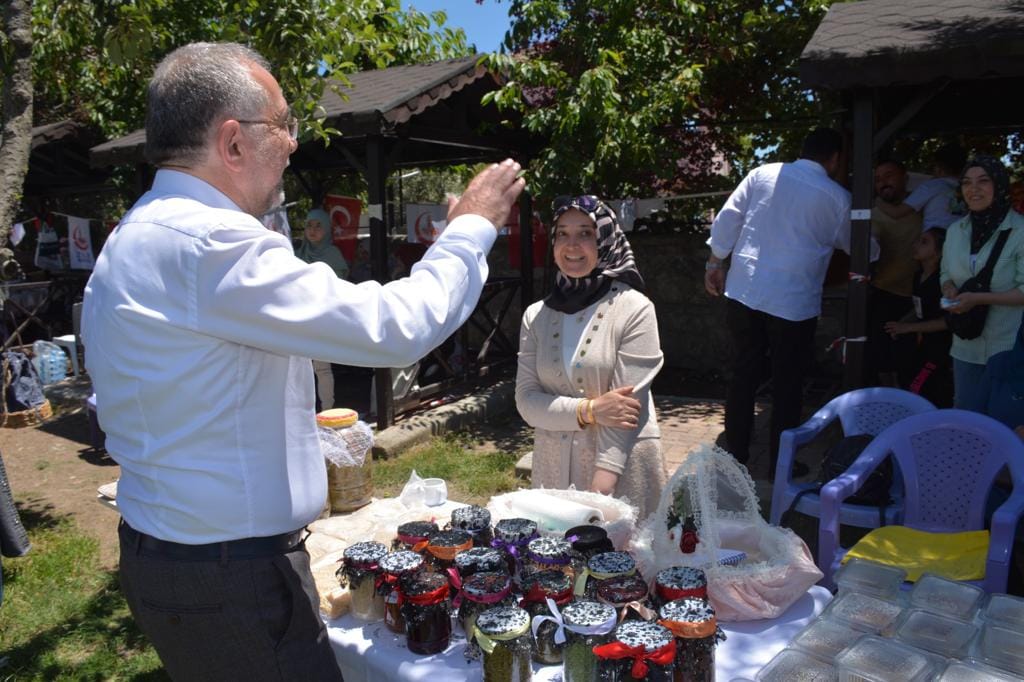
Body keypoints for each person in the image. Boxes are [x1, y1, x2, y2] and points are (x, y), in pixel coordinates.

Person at [81, 42, 524, 681]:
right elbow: (392, 327)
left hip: (193, 559)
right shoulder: (209, 244)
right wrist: (472, 227)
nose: (292, 143)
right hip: (227, 574)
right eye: (281, 125)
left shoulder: (144, 231)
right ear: (232, 142)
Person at [705, 128, 878, 476]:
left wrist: (714, 260)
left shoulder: (762, 173)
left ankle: (734, 456)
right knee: (788, 383)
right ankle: (780, 463)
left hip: (746, 290)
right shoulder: (837, 198)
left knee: (743, 375)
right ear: (834, 159)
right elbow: (864, 250)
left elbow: (729, 218)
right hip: (793, 301)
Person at [515, 195, 666, 519]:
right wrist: (592, 410)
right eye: (562, 234)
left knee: (621, 565)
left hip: (619, 470)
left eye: (585, 233)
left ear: (605, 240)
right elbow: (527, 402)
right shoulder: (536, 316)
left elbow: (626, 413)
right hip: (553, 466)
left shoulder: (634, 308)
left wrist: (599, 495)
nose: (572, 245)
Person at [941, 155, 1024, 413]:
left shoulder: (1020, 230)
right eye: (966, 182)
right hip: (965, 345)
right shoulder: (956, 230)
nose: (973, 189)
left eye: (983, 181)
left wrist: (978, 299)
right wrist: (950, 290)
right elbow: (945, 273)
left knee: (1004, 423)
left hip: (1008, 347)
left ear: (999, 185)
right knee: (967, 418)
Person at [883, 228, 953, 407]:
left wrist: (908, 328)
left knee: (920, 390)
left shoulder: (945, 283)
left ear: (939, 251)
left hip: (941, 350)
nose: (915, 246)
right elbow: (919, 309)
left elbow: (948, 321)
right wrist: (901, 324)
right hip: (922, 345)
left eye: (924, 242)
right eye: (917, 241)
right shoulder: (918, 276)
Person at [867, 159, 922, 386]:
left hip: (919, 294)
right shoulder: (871, 213)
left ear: (905, 177)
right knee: (880, 358)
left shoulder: (922, 206)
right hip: (883, 293)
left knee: (913, 361)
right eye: (878, 179)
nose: (883, 183)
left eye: (889, 176)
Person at [296, 208, 349, 410]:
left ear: (327, 229)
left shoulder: (332, 254)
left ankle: (327, 412)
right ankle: (302, 413)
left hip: (321, 316)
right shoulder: (298, 252)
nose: (313, 230)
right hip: (297, 316)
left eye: (318, 225)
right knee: (298, 369)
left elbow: (338, 286)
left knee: (322, 369)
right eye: (309, 224)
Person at [876, 143, 966, 230]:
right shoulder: (965, 187)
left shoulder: (932, 186)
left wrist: (876, 201)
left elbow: (896, 213)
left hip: (935, 238)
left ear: (938, 168)